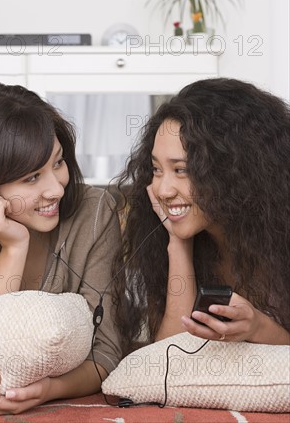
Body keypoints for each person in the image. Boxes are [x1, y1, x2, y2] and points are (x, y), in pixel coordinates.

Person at [0, 82, 122, 416]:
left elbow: (106, 351)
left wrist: (48, 390)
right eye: (31, 178)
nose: (56, 189)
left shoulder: (95, 212)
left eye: (58, 163)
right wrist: (13, 247)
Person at [114, 77, 290, 355]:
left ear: (234, 171)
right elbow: (168, 356)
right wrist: (178, 245)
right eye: (156, 169)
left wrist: (258, 328)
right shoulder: (162, 242)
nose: (162, 189)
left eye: (181, 170)